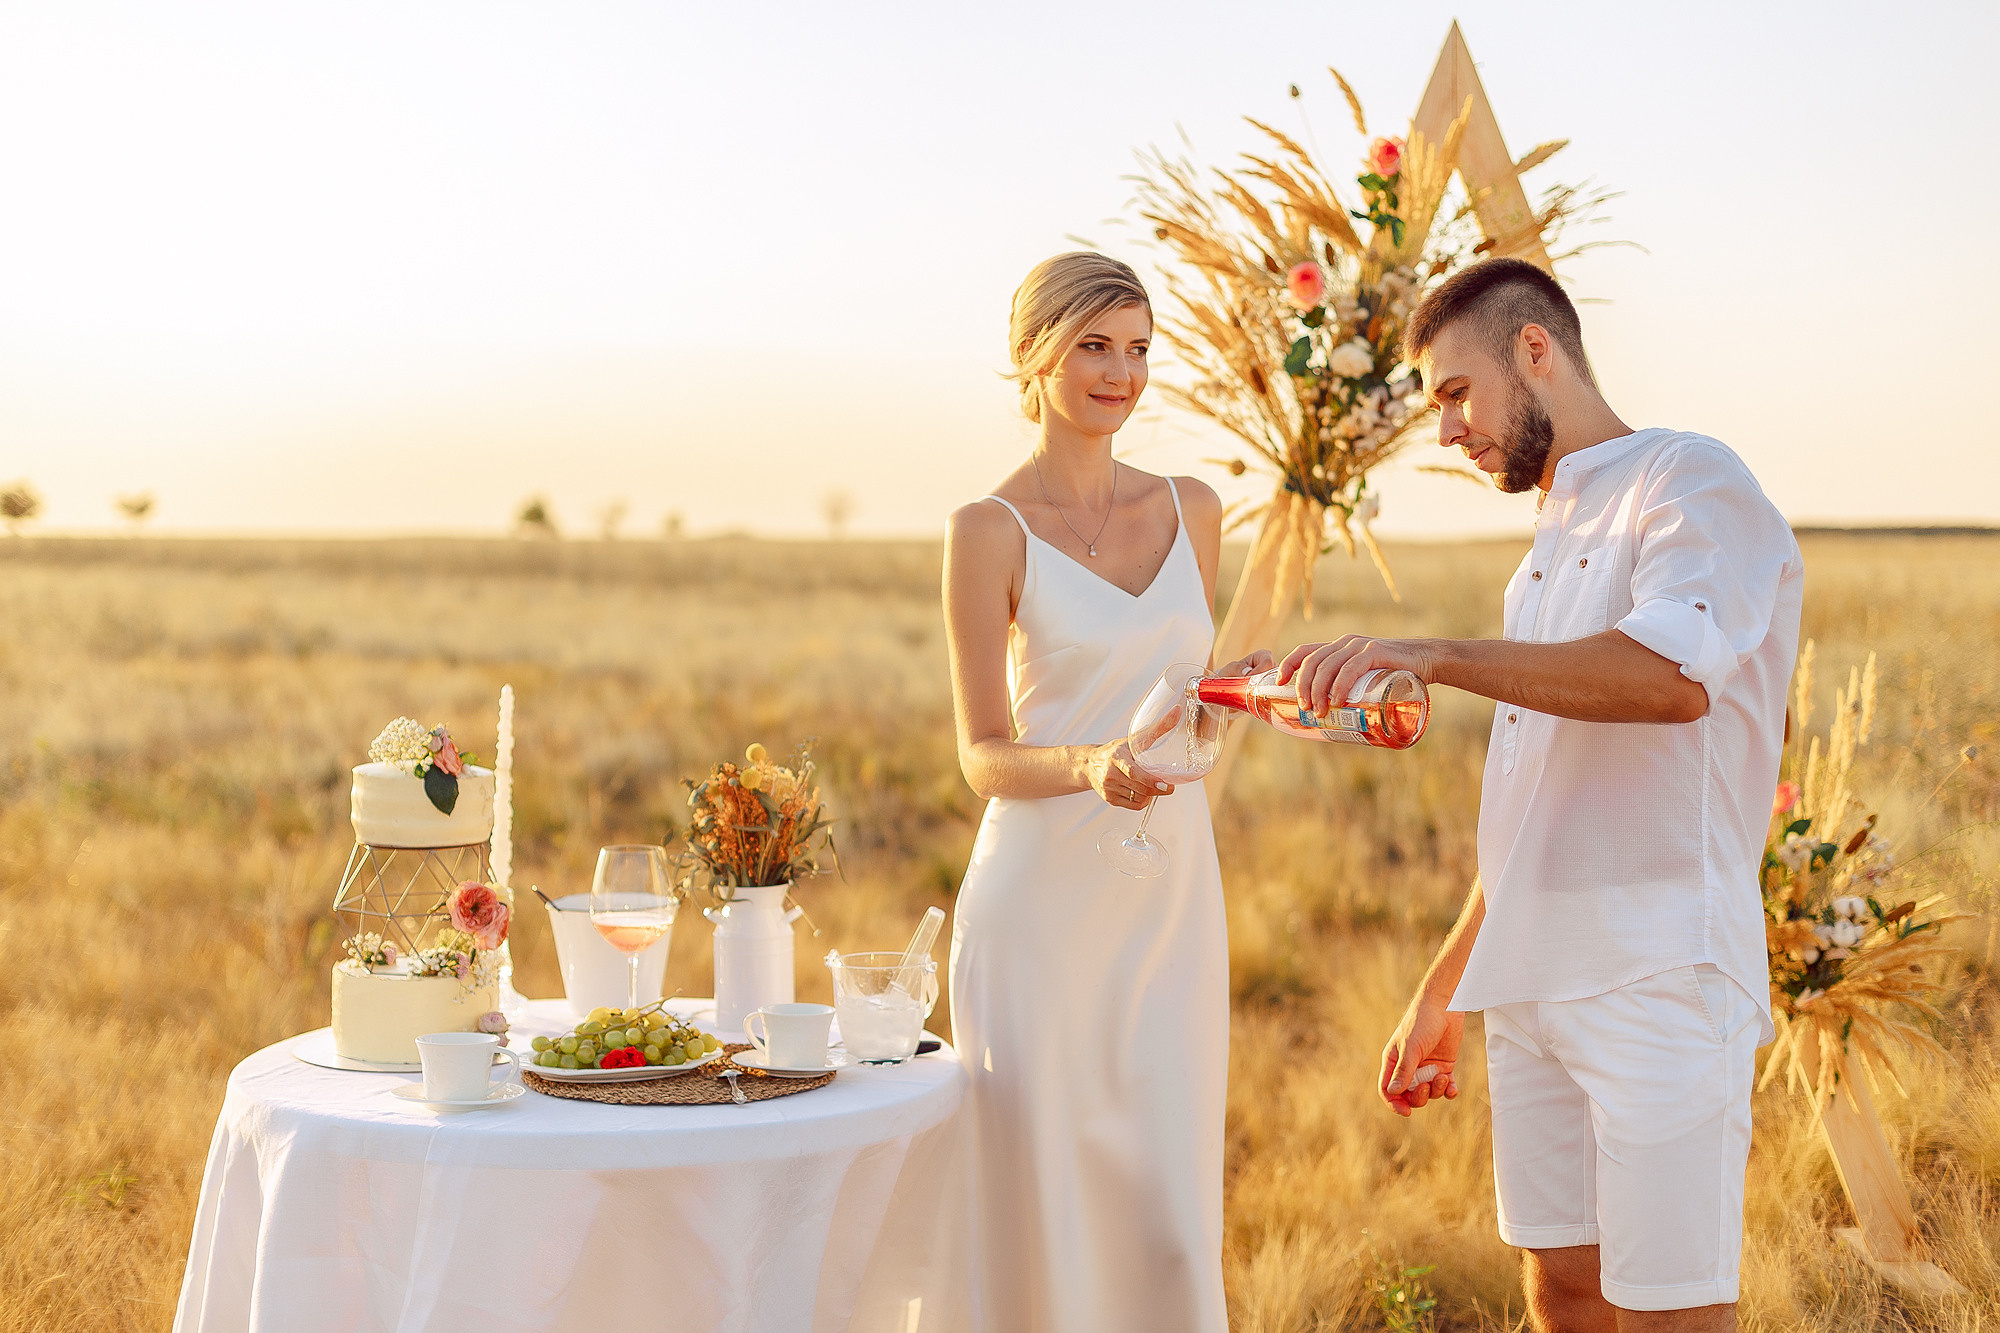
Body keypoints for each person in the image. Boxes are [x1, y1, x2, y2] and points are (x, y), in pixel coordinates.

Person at [1277, 257, 1802, 1332]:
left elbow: (1669, 681)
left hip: (1657, 972)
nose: (1444, 432)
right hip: (1527, 981)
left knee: (1666, 1310)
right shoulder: (1548, 536)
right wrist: (1443, 983)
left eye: (1452, 395)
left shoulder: (1687, 478)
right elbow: (1539, 798)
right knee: (1557, 1288)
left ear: (1533, 350)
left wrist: (1431, 653)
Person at [942, 251, 1263, 1333]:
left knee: (1165, 1198)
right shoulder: (985, 530)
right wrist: (1086, 765)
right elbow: (982, 754)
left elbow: (1186, 689)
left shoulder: (1195, 508)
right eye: (1093, 345)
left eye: (1136, 348)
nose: (1119, 373)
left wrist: (1222, 708)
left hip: (1171, 892)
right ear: (1035, 353)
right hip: (1039, 904)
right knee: (1044, 1196)